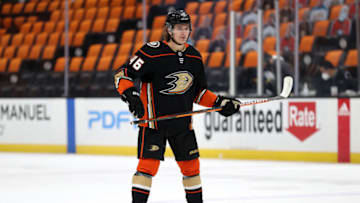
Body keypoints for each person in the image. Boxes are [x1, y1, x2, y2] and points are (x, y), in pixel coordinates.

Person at [114, 10, 241, 203]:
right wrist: (131, 95)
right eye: (179, 28)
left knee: (192, 170)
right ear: (169, 30)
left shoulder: (195, 57)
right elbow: (122, 74)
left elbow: (198, 92)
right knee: (147, 168)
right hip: (153, 125)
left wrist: (220, 102)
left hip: (182, 126)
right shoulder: (152, 52)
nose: (183, 32)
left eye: (186, 28)